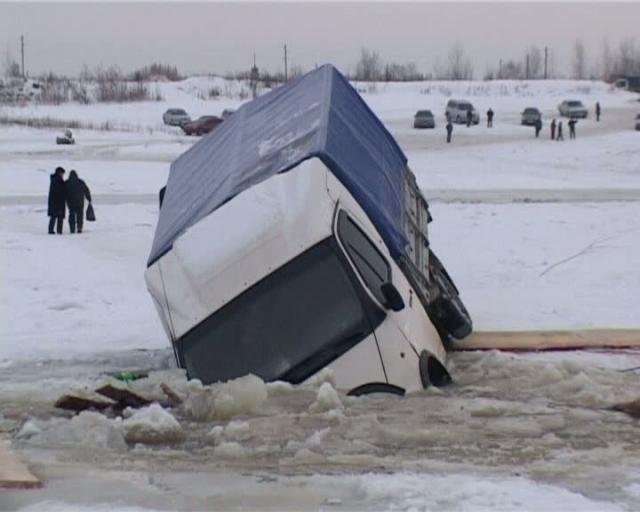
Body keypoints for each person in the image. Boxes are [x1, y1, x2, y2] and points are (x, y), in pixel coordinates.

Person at [48, 167, 66, 234]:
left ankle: (52, 230)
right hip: (57, 201)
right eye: (62, 173)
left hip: (53, 201)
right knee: (59, 216)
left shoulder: (55, 179)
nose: (63, 175)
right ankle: (58, 230)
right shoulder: (58, 180)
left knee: (54, 216)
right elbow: (59, 192)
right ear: (59, 173)